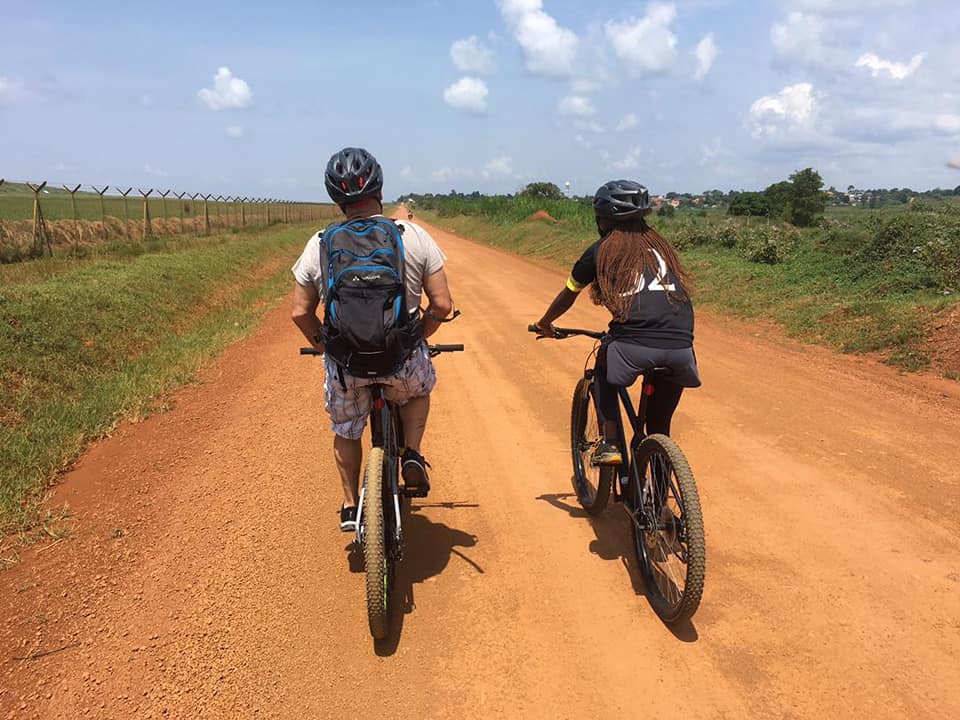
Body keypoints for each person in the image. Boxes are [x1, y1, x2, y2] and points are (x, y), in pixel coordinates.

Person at [291, 147, 454, 532]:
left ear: (335, 197)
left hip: (348, 366)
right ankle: (412, 452)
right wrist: (417, 336)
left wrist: (325, 347)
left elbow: (300, 312)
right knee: (418, 391)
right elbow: (443, 305)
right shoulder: (412, 235)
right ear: (379, 187)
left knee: (345, 429)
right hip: (401, 359)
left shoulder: (319, 243)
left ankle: (350, 506)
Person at [534, 179, 700, 465]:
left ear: (603, 219)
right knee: (659, 426)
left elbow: (568, 294)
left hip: (633, 344)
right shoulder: (661, 248)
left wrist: (545, 322)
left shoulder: (600, 251)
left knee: (602, 366)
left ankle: (610, 443)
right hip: (681, 346)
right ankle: (658, 505)